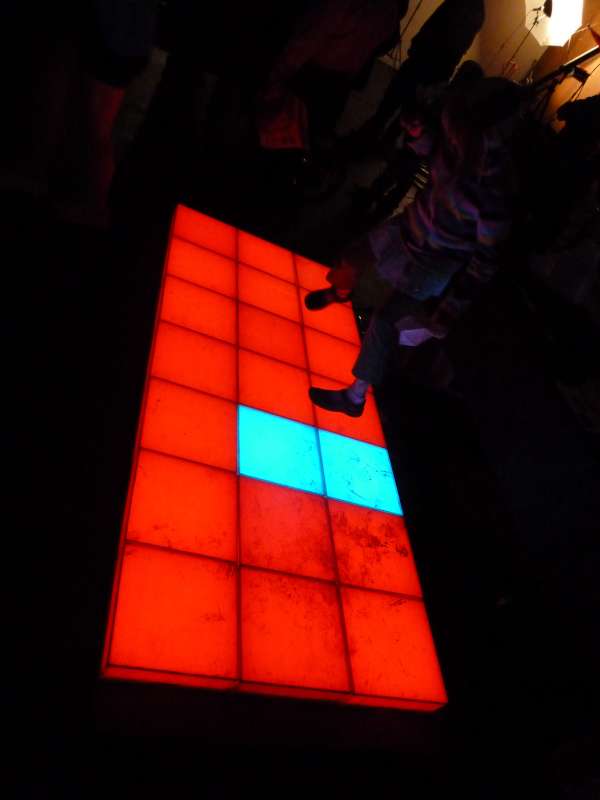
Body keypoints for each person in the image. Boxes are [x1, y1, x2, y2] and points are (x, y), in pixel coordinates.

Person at [306, 78, 517, 416]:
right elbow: (436, 156)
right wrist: (419, 134)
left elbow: (485, 261)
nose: (452, 133)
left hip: (434, 259)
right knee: (353, 257)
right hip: (408, 226)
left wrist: (449, 310)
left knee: (386, 320)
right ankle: (341, 294)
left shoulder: (494, 188)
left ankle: (354, 398)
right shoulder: (461, 145)